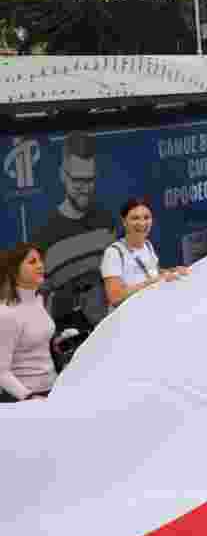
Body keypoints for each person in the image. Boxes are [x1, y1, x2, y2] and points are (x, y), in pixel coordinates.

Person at [31, 131, 116, 335]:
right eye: (77, 179)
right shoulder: (44, 235)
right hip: (66, 341)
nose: (84, 188)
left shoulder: (107, 223)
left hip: (108, 333)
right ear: (62, 174)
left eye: (89, 180)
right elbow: (34, 301)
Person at [101, 199, 190, 311]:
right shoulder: (113, 253)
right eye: (135, 218)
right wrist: (153, 282)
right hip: (126, 319)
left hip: (148, 311)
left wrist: (173, 271)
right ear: (124, 221)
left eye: (147, 217)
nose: (142, 223)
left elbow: (153, 272)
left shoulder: (147, 245)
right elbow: (115, 297)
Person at [0, 243, 58, 401]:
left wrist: (59, 342)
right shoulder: (6, 313)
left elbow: (37, 345)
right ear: (14, 271)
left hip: (52, 391)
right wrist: (29, 397)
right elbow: (1, 372)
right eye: (32, 262)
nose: (40, 266)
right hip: (23, 399)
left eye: (40, 260)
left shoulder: (39, 300)